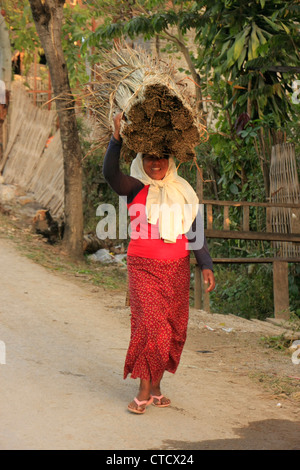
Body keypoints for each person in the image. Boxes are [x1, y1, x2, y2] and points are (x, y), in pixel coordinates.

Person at [103, 112, 215, 414]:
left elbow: (193, 229)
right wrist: (116, 140)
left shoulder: (182, 190)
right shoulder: (135, 187)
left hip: (177, 269)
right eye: (150, 157)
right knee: (151, 326)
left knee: (173, 328)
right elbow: (110, 175)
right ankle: (142, 390)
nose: (156, 163)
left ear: (170, 160)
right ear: (141, 159)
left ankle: (156, 387)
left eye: (162, 157)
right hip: (144, 268)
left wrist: (206, 264)